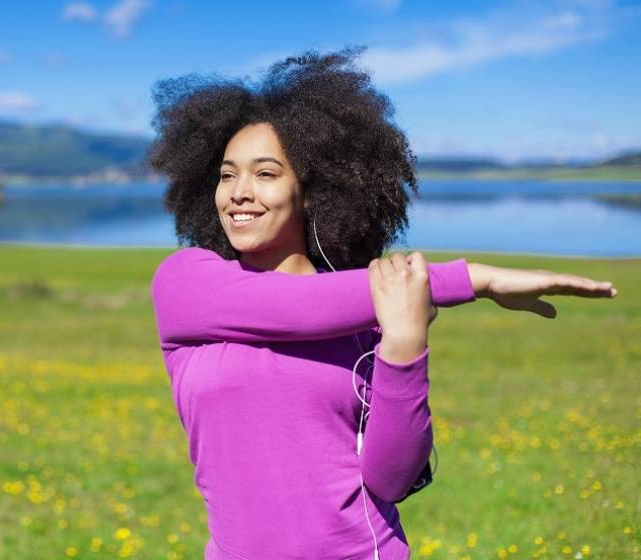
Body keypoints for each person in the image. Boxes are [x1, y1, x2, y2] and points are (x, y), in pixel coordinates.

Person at [145, 46, 617, 560]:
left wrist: (406, 345)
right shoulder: (186, 283)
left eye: (265, 173)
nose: (238, 192)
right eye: (227, 174)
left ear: (310, 191)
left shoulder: (369, 322)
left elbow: (391, 480)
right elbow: (297, 310)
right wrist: (474, 279)